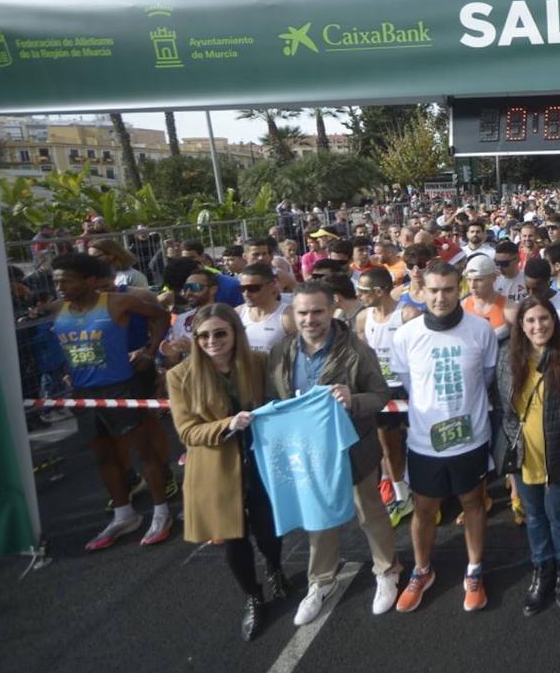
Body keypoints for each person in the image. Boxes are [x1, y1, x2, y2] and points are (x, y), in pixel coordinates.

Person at [266, 282, 402, 626]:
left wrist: (353, 400)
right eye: (303, 313)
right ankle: (320, 581)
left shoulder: (356, 350)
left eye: (317, 311)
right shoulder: (282, 352)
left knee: (368, 511)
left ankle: (387, 570)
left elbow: (381, 393)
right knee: (318, 518)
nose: (310, 319)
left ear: (331, 310)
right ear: (293, 315)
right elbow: (275, 399)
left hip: (354, 447)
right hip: (308, 451)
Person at [167, 304, 287, 641]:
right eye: (203, 335)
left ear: (235, 332)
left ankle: (275, 568)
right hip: (216, 469)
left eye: (220, 333)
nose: (211, 341)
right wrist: (226, 424)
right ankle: (252, 595)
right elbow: (187, 431)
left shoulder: (258, 363)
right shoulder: (180, 376)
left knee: (268, 530)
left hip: (260, 462)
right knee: (234, 540)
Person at [390, 261, 499, 613]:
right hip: (424, 442)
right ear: (423, 291)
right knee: (424, 507)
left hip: (471, 438)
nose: (440, 297)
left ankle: (474, 569)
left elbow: (486, 378)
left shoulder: (481, 330)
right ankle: (423, 571)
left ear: (460, 289)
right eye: (434, 290)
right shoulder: (406, 336)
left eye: (448, 289)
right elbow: (408, 385)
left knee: (473, 503)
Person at [49, 253, 172, 551]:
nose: (61, 286)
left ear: (90, 280)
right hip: (84, 393)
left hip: (121, 388)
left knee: (144, 452)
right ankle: (124, 514)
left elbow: (160, 314)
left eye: (67, 280)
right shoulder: (57, 309)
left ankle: (161, 511)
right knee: (103, 457)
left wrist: (148, 350)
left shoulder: (116, 303)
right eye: (57, 282)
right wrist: (67, 372)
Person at [496, 295, 560, 615]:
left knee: (559, 516)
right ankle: (542, 568)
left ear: (554, 321)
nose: (538, 326)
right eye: (530, 321)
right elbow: (507, 414)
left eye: (544, 319)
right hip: (526, 456)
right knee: (535, 518)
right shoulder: (506, 359)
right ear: (520, 326)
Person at [355, 266, 419, 525]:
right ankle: (401, 496)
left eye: (363, 291)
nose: (359, 295)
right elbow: (364, 355)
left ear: (380, 291)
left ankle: (424, 491)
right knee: (388, 445)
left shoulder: (408, 314)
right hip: (382, 389)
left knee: (418, 441)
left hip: (409, 386)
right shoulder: (363, 318)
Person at [236, 263, 295, 354]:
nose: (246, 294)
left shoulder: (288, 316)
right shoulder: (237, 313)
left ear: (272, 285)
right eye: (242, 289)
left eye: (253, 288)